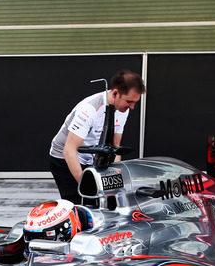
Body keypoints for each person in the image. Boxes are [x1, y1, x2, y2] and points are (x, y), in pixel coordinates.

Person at [48, 70, 146, 202]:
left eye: (135, 102)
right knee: (81, 203)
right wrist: (87, 186)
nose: (132, 107)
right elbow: (69, 150)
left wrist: (117, 180)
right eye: (129, 101)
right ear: (115, 93)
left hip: (90, 156)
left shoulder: (123, 109)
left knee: (106, 200)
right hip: (64, 157)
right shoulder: (90, 109)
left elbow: (115, 147)